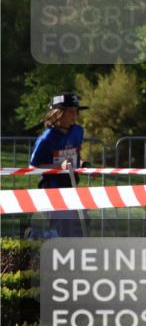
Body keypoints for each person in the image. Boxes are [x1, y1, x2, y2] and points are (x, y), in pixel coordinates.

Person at [29, 93, 88, 237]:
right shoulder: (46, 138)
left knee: (75, 226)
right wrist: (58, 167)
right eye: (71, 112)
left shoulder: (78, 131)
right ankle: (35, 236)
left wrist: (82, 163)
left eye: (76, 112)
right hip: (52, 187)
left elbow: (74, 154)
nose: (75, 116)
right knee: (63, 228)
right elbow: (33, 167)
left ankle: (37, 235)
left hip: (71, 184)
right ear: (58, 113)